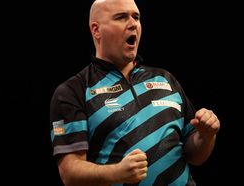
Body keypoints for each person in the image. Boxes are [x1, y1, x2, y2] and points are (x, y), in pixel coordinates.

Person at [50, 0, 220, 185]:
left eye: (136, 17)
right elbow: (69, 172)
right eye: (121, 17)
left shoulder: (165, 79)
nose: (133, 24)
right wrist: (116, 173)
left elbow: (195, 156)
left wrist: (206, 135)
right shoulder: (74, 91)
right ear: (96, 30)